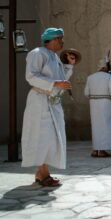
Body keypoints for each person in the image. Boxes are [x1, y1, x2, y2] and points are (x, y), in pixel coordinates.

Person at [21, 27, 76, 186]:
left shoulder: (54, 56)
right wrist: (54, 83)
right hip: (40, 101)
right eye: (60, 38)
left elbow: (60, 80)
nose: (62, 42)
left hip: (53, 102)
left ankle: (42, 173)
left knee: (52, 139)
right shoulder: (37, 53)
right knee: (42, 137)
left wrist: (69, 67)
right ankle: (43, 174)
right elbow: (31, 76)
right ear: (51, 39)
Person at [84, 58, 111, 157]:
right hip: (106, 104)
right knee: (106, 126)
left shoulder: (90, 77)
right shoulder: (109, 77)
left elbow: (86, 93)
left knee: (96, 127)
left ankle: (96, 149)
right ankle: (102, 150)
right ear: (105, 67)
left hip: (93, 105)